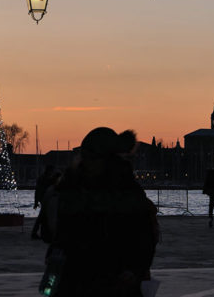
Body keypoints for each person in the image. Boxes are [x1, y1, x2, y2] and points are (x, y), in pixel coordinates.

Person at [46, 127, 158, 297]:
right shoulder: (72, 188)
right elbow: (62, 235)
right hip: (77, 278)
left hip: (113, 279)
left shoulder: (125, 191)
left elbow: (143, 237)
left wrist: (133, 270)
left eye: (93, 158)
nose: (88, 163)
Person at [31, 164, 56, 240]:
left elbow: (37, 190)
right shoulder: (47, 179)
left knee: (43, 216)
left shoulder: (43, 178)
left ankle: (38, 232)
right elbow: (39, 190)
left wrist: (36, 201)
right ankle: (37, 233)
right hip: (46, 199)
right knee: (43, 217)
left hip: (43, 199)